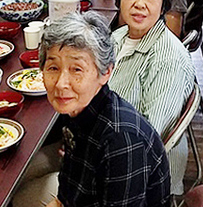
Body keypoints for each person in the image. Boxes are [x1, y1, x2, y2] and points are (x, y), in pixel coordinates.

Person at [17, 12, 171, 207]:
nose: (61, 84)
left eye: (77, 69)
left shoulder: (120, 140)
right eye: (53, 68)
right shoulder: (76, 109)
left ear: (105, 72)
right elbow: (66, 191)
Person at [109, 0, 195, 196]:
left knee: (30, 191)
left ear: (163, 5)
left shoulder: (167, 58)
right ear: (119, 0)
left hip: (139, 174)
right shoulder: (119, 36)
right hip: (108, 142)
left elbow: (150, 135)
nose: (139, 3)